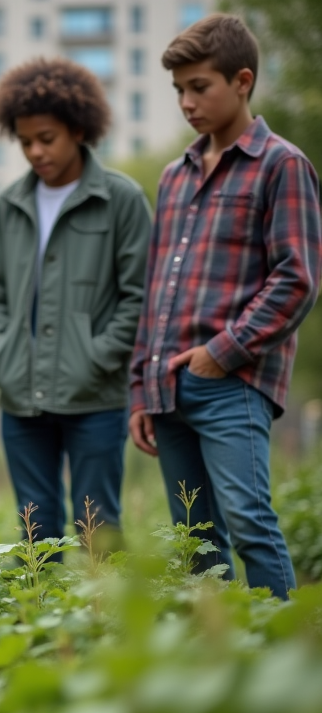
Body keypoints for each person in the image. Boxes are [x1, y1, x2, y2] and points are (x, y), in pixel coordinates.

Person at [129, 14, 320, 599]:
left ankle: (287, 668)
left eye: (199, 87)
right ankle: (215, 669)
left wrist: (218, 355)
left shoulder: (281, 164)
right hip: (168, 389)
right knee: (196, 541)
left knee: (250, 526)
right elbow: (156, 285)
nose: (187, 101)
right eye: (179, 90)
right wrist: (142, 385)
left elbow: (297, 279)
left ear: (242, 80)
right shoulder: (174, 176)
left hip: (231, 382)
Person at [0, 57, 150, 551]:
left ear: (79, 129)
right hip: (20, 394)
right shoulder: (10, 203)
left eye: (46, 138)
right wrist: (4, 354)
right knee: (35, 529)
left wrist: (99, 357)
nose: (35, 151)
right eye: (25, 141)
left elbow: (138, 296)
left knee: (98, 528)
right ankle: (44, 627)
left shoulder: (121, 199)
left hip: (95, 396)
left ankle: (109, 627)